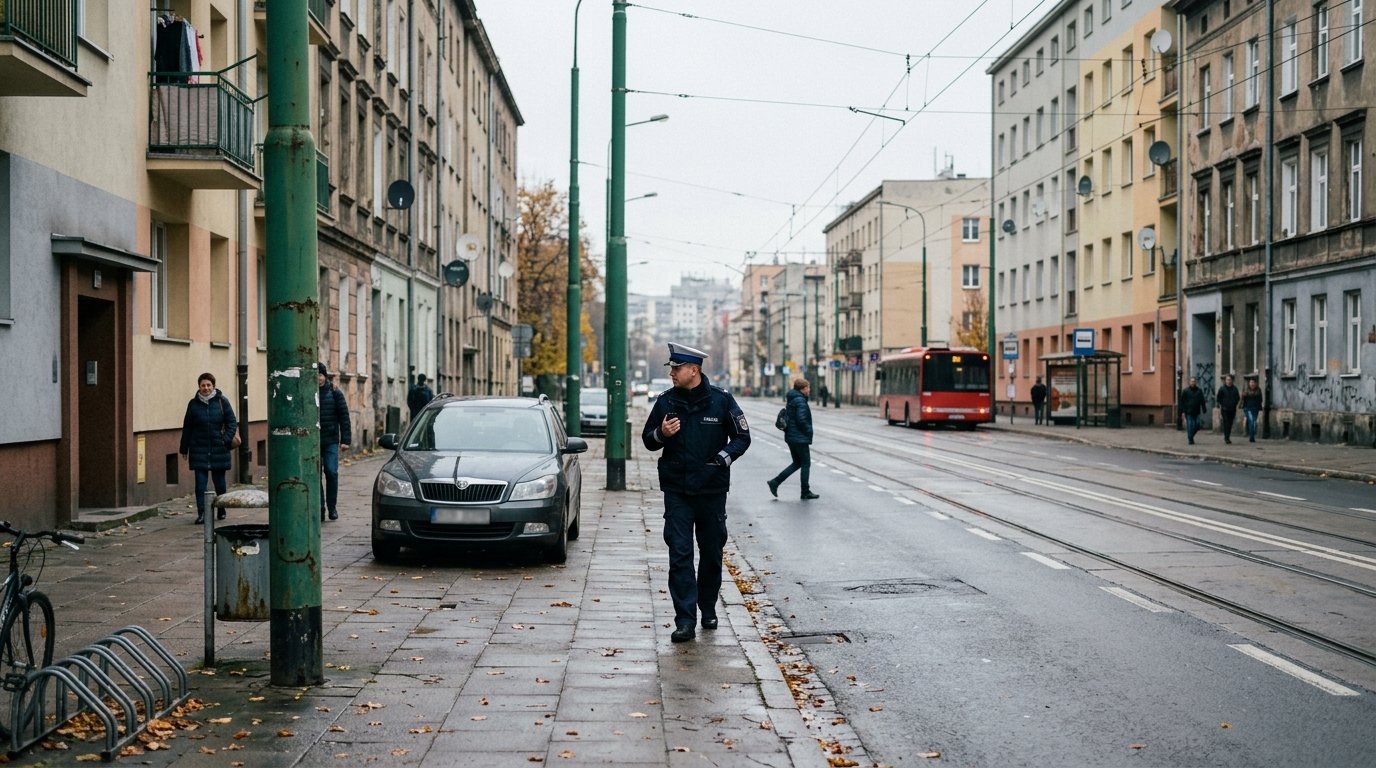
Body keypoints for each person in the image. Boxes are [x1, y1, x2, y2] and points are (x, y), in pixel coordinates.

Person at [641, 342, 751, 643]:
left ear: (694, 370)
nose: (672, 374)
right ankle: (685, 620)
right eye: (672, 369)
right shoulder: (665, 403)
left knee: (712, 553)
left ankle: (708, 607)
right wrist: (661, 434)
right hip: (677, 490)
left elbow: (742, 437)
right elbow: (647, 441)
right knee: (680, 554)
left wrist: (722, 458)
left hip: (712, 489)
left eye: (677, 369)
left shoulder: (721, 401)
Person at [179, 372, 237, 524]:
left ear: (213, 386)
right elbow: (188, 427)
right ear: (199, 387)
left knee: (220, 483)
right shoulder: (193, 404)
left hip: (219, 449)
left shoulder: (222, 402)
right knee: (200, 484)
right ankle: (202, 513)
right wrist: (184, 448)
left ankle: (222, 507)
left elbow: (232, 423)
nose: (206, 388)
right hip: (199, 449)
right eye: (203, 385)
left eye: (208, 385)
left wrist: (225, 440)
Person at [767, 378, 818, 500]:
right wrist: (808, 431)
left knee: (797, 463)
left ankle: (775, 482)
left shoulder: (792, 399)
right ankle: (805, 491)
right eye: (807, 387)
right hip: (799, 438)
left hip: (791, 436)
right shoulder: (800, 401)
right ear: (803, 389)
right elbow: (801, 419)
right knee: (805, 463)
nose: (809, 389)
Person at [318, 362, 352, 521]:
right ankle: (320, 508)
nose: (317, 378)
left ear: (324, 376)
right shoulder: (308, 392)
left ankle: (332, 507)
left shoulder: (335, 392)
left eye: (320, 375)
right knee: (315, 475)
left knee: (331, 472)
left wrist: (346, 440)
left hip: (330, 439)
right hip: (313, 441)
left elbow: (344, 416)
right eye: (315, 375)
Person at [1179, 376, 1206, 445]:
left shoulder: (1199, 391)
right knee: (1190, 426)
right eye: (1191, 381)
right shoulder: (1186, 391)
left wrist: (1204, 408)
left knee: (1198, 425)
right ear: (1189, 382)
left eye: (1194, 381)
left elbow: (1202, 400)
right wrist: (1182, 412)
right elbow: (1182, 402)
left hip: (1197, 411)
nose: (1193, 383)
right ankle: (1190, 439)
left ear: (1196, 382)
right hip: (1189, 412)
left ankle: (1191, 436)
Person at [1216, 374, 1240, 444]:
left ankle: (1227, 436)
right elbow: (1219, 398)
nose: (1228, 381)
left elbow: (1237, 398)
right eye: (1227, 380)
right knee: (1226, 423)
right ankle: (1226, 438)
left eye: (1230, 380)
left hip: (1232, 409)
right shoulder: (1222, 389)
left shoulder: (1235, 389)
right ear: (1225, 381)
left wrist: (1234, 403)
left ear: (1232, 380)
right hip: (1224, 409)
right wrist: (1222, 404)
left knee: (1230, 423)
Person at [1242, 378, 1263, 443]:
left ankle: (1252, 435)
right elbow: (1242, 399)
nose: (1252, 384)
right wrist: (1243, 396)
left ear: (1256, 383)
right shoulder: (1246, 390)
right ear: (1249, 383)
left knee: (1254, 422)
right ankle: (1252, 437)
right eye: (1251, 382)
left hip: (1255, 409)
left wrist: (1259, 407)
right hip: (1248, 408)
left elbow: (1260, 399)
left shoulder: (1258, 390)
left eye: (1253, 382)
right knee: (1251, 421)